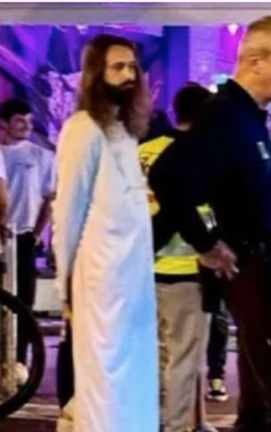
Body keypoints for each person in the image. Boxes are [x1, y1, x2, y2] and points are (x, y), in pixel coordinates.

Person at [148, 16, 271, 432]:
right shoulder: (225, 116)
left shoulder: (248, 118)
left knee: (264, 408)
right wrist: (206, 243)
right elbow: (168, 175)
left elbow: (258, 192)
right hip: (262, 274)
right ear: (255, 62)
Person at [52, 34, 158, 432]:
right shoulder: (82, 129)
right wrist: (64, 289)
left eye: (132, 67)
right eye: (118, 67)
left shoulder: (124, 131)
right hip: (99, 284)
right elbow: (67, 213)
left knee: (135, 381)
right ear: (97, 74)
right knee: (105, 386)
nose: (129, 75)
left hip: (134, 283)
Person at [140, 83, 217, 432]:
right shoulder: (202, 156)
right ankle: (174, 427)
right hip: (188, 269)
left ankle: (149, 421)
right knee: (184, 360)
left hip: (142, 268)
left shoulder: (143, 152)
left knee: (154, 356)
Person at [0, 98, 56, 369]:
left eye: (29, 121)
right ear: (4, 123)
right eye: (19, 121)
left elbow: (49, 199)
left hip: (22, 236)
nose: (26, 126)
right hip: (1, 236)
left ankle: (19, 364)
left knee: (23, 302)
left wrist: (36, 233)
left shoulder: (41, 157)